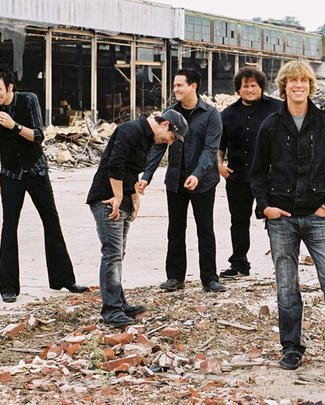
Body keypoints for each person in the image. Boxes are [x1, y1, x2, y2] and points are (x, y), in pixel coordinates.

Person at [250, 60, 325, 372]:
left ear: (310, 86)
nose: (298, 85)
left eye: (303, 80)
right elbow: (257, 173)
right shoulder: (270, 125)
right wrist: (265, 207)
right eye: (292, 80)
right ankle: (291, 348)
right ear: (284, 86)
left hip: (318, 217)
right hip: (281, 218)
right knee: (287, 287)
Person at [0, 66, 87, 303]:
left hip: (36, 171)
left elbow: (38, 136)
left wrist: (14, 126)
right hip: (10, 175)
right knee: (9, 228)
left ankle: (63, 279)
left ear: (9, 87)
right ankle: (8, 288)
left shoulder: (29, 101)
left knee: (51, 221)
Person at [86, 110, 188, 327]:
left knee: (118, 253)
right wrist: (117, 196)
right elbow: (115, 164)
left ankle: (119, 303)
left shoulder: (146, 137)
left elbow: (131, 172)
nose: (169, 142)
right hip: (107, 199)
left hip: (121, 199)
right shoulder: (130, 130)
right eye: (171, 137)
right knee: (112, 254)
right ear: (165, 124)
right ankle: (111, 310)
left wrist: (134, 200)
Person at [138, 69, 225, 293]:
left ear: (193, 86)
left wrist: (197, 174)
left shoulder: (211, 115)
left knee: (205, 229)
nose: (175, 89)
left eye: (179, 85)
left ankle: (210, 278)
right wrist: (147, 176)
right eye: (174, 85)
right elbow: (159, 146)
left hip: (203, 181)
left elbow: (210, 150)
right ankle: (175, 277)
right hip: (175, 181)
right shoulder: (169, 113)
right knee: (175, 229)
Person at [218, 67, 282, 278]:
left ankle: (282, 264)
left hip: (269, 178)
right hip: (237, 176)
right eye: (245, 86)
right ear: (238, 89)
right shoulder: (227, 114)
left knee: (275, 220)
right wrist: (219, 166)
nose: (250, 89)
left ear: (261, 87)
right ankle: (239, 264)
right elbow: (219, 145)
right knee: (238, 221)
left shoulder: (277, 109)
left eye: (254, 85)